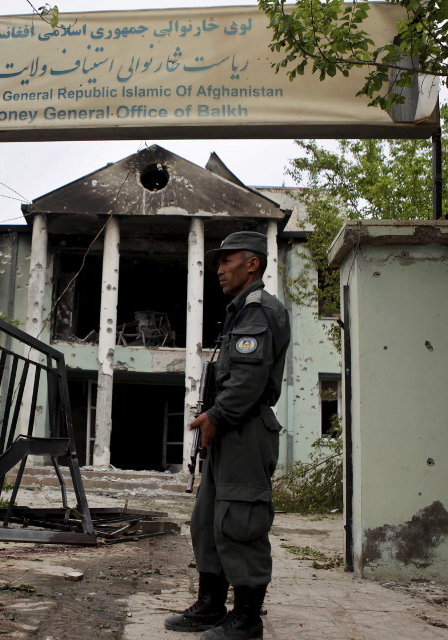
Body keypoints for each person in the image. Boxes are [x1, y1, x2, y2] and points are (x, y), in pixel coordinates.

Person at [164, 231, 291, 640]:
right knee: (207, 521)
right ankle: (211, 605)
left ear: (252, 263)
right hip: (229, 428)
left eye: (227, 260)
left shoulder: (258, 310)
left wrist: (216, 416)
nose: (218, 269)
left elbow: (249, 380)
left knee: (241, 520)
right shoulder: (240, 311)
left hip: (244, 428)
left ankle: (247, 618)